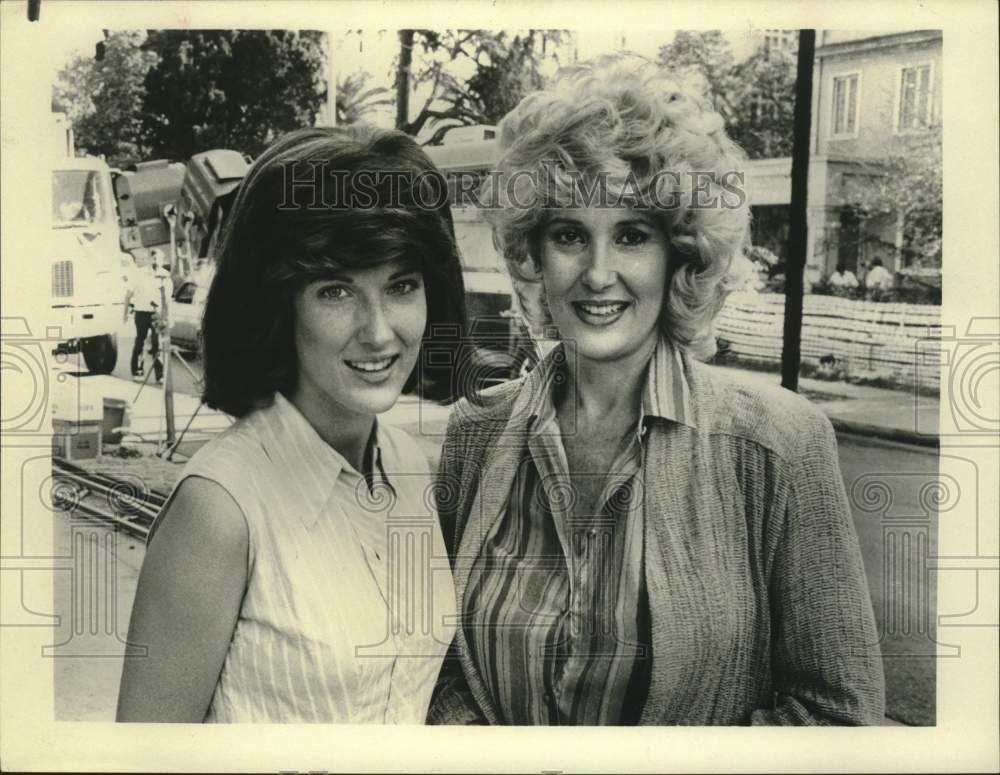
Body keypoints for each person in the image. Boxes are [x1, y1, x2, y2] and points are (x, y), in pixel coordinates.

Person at [428, 56, 885, 726]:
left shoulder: (778, 445)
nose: (599, 272)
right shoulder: (475, 435)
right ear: (533, 252)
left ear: (682, 254)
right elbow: (433, 665)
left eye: (633, 235)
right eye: (569, 235)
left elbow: (839, 717)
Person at [117, 126, 467, 723]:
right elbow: (144, 758)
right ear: (278, 302)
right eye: (336, 291)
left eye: (402, 286)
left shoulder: (417, 472)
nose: (380, 331)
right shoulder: (220, 511)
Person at [123, 248, 171, 382]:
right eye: (153, 258)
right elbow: (128, 294)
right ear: (149, 259)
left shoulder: (165, 275)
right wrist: (125, 313)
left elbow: (168, 299)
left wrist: (168, 317)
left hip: (158, 314)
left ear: (163, 260)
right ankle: (138, 371)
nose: (155, 261)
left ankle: (160, 374)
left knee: (158, 345)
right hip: (142, 313)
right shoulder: (139, 274)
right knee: (141, 342)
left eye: (158, 259)